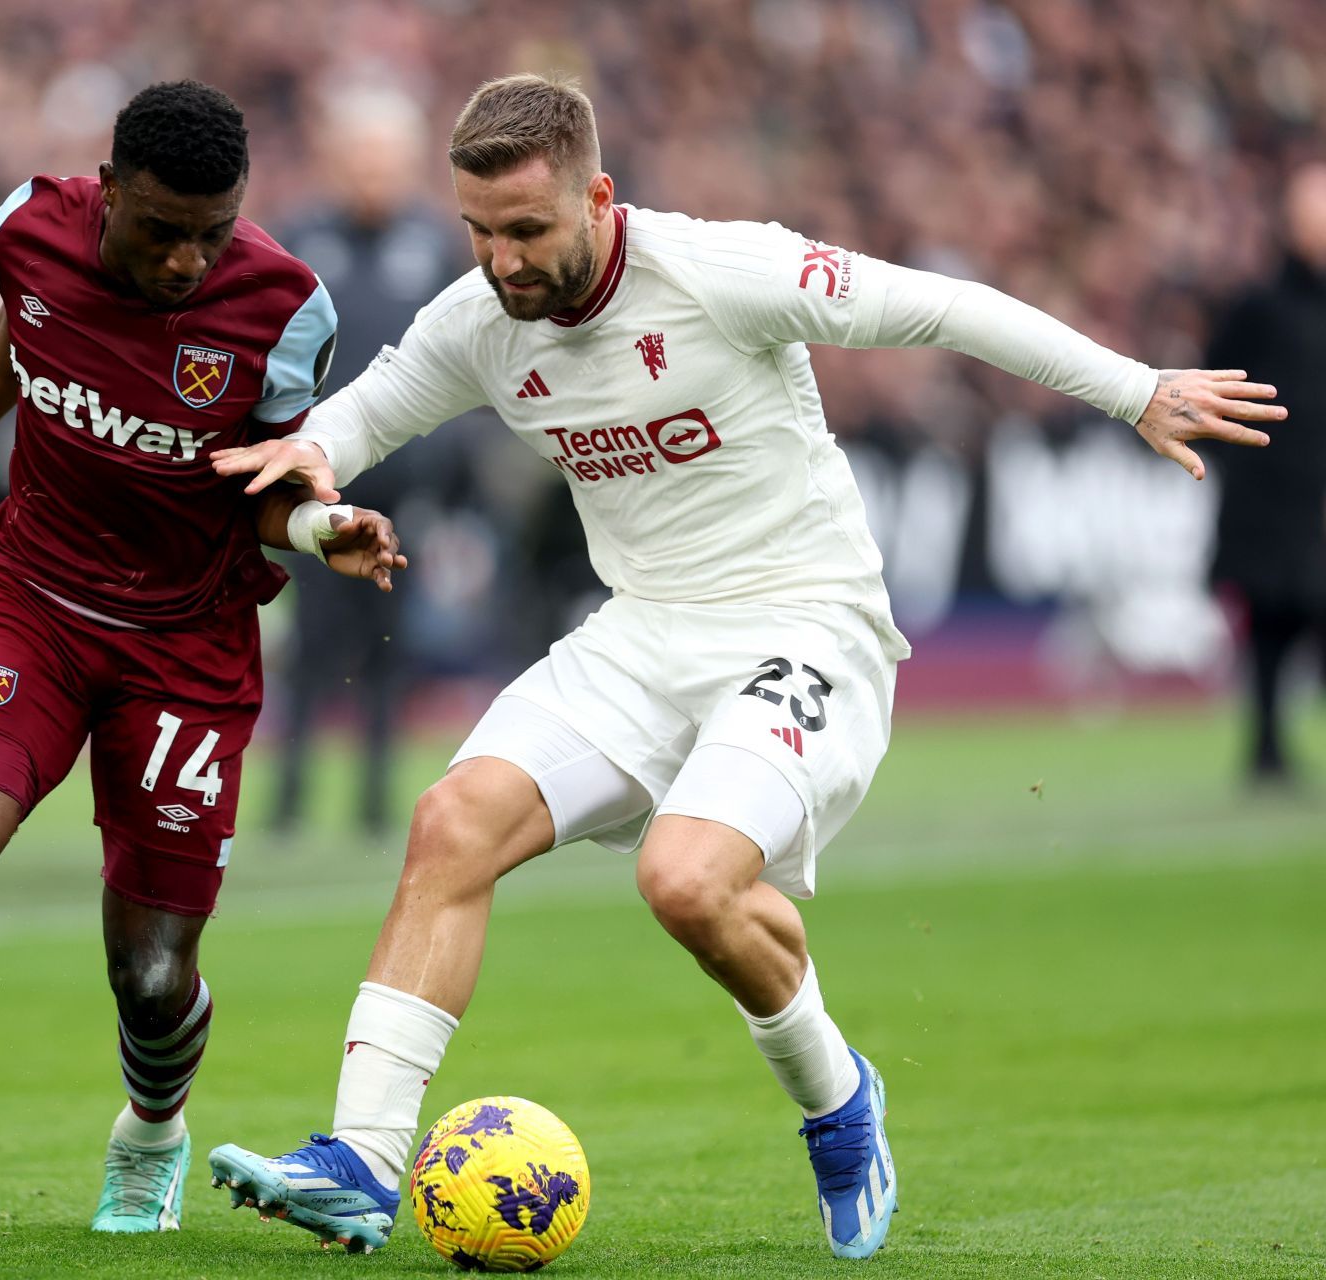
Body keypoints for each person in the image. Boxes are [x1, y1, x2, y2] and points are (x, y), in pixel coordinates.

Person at [204, 73, 1284, 1259]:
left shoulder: (724, 271)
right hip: (641, 633)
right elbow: (370, 413)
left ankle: (837, 1096)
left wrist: (1137, 392)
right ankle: (361, 1157)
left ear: (599, 198)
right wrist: (306, 456)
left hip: (804, 624)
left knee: (686, 879)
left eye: (527, 229)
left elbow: (946, 308)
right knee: (451, 821)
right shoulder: (480, 318)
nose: (502, 260)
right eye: (479, 230)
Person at [0, 80, 407, 1235]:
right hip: (35, 597)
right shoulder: (24, 225)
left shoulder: (284, 309)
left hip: (187, 647)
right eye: (160, 228)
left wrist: (327, 528)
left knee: (154, 975)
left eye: (209, 233)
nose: (183, 260)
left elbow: (262, 494)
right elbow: (25, 333)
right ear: (107, 190)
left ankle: (150, 1135)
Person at [272, 86, 467, 835]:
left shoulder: (434, 245)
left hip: (404, 487)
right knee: (310, 649)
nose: (372, 174)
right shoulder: (301, 238)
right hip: (315, 488)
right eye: (361, 158)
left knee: (391, 651)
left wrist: (447, 473)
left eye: (385, 160)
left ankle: (378, 806)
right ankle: (289, 802)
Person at [1207, 160, 1326, 786]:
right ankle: (1267, 748)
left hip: (1315, 498)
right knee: (1270, 626)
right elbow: (1213, 383)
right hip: (1269, 499)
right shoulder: (1258, 307)